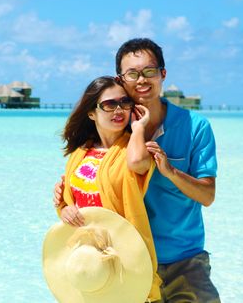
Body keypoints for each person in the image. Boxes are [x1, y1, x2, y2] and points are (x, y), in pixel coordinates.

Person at [54, 38, 219, 302]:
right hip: (127, 260)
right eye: (132, 73)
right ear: (121, 79)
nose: (141, 80)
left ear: (162, 74)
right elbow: (90, 182)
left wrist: (171, 172)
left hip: (183, 259)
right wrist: (63, 201)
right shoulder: (117, 128)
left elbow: (208, 196)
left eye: (149, 71)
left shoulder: (195, 125)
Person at [55, 75, 161, 301]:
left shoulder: (136, 149)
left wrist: (139, 127)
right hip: (88, 261)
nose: (119, 109)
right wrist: (64, 210)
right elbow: (68, 200)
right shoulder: (79, 153)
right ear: (91, 112)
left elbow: (137, 164)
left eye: (124, 103)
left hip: (123, 257)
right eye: (109, 104)